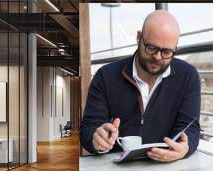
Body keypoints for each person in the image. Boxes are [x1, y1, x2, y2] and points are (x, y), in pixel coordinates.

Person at [79, 10, 201, 162]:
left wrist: (185, 148)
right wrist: (96, 139)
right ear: (139, 38)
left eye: (167, 52)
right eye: (151, 48)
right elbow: (88, 128)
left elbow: (191, 128)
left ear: (175, 49)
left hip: (165, 167)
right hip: (116, 168)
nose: (157, 57)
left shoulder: (188, 76)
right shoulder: (105, 76)